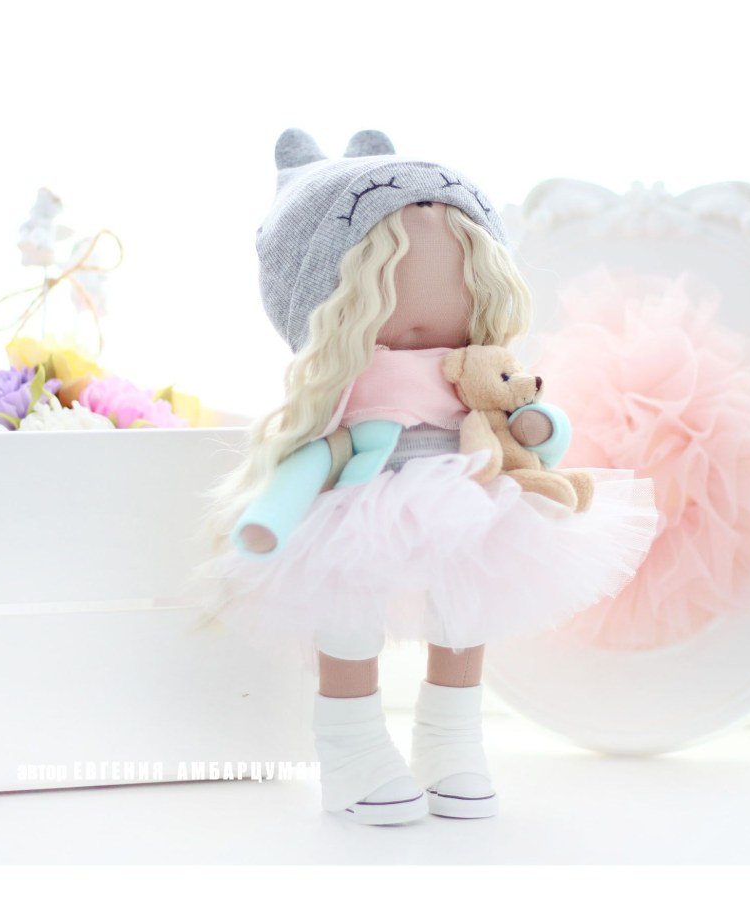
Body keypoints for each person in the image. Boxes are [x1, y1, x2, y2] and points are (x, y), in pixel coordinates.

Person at [205, 129, 658, 824]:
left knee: (463, 607)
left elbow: (532, 423)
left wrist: (539, 430)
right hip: (362, 500)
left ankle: (451, 739)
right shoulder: (344, 386)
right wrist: (271, 513)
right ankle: (352, 748)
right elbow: (315, 455)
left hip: (471, 489)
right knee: (349, 616)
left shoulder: (479, 371)